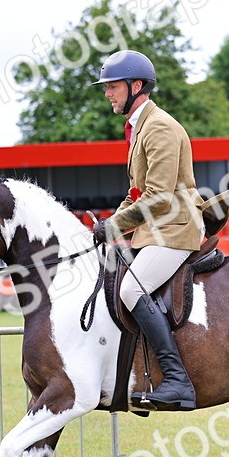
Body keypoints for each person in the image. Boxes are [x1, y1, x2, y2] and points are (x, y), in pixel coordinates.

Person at [91, 49, 205, 411]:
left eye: (112, 86)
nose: (107, 93)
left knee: (130, 289)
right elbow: (136, 193)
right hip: (155, 230)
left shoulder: (159, 127)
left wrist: (115, 225)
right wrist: (107, 226)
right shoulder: (140, 127)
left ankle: (177, 380)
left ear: (135, 86)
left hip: (175, 228)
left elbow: (158, 198)